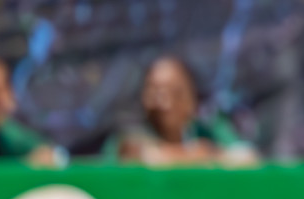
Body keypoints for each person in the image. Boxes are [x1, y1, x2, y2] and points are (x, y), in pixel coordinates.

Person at [108, 55, 258, 166]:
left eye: (175, 93)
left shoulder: (207, 130)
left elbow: (246, 157)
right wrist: (199, 155)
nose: (164, 103)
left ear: (192, 100)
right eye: (154, 92)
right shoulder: (128, 136)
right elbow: (141, 156)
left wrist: (211, 153)